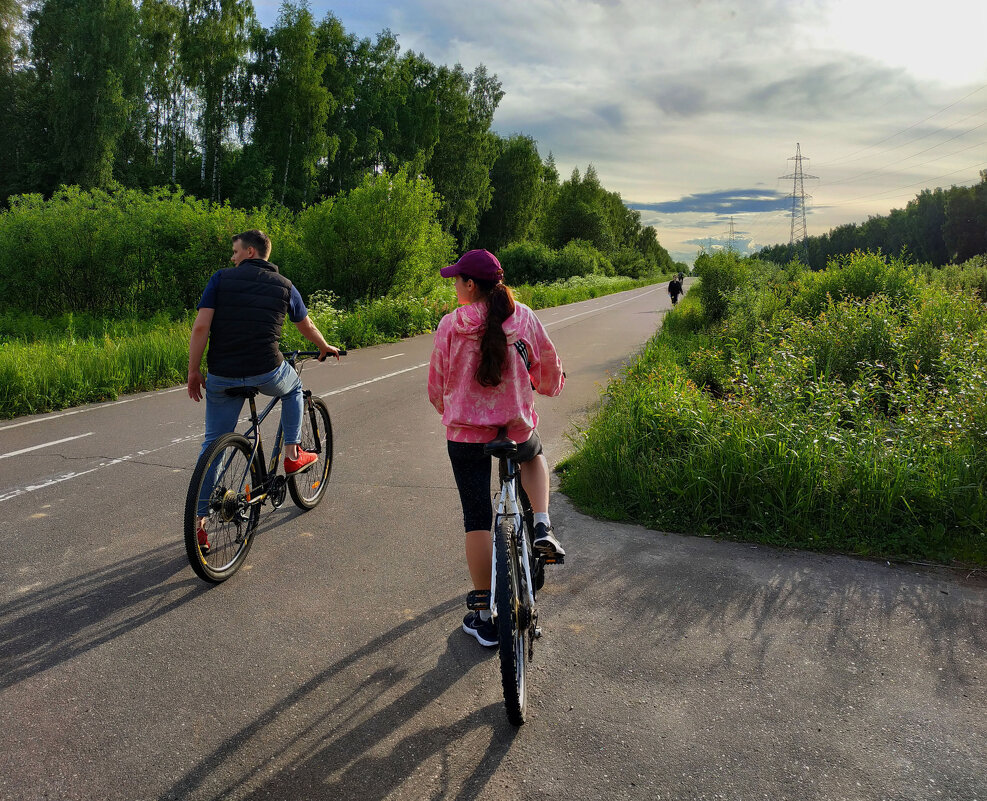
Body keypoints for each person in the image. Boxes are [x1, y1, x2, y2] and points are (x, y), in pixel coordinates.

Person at [428, 249, 565, 648]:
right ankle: (541, 523)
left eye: (456, 280)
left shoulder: (451, 325)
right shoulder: (522, 316)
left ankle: (486, 616)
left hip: (466, 437)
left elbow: (437, 384)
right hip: (514, 431)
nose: (454, 285)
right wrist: (550, 387)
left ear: (471, 285)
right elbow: (547, 368)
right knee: (534, 454)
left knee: (477, 518)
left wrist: (450, 409)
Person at [187, 229, 340, 553]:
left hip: (222, 375)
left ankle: (198, 523)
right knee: (294, 388)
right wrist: (324, 346)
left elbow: (201, 327)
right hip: (266, 370)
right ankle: (292, 453)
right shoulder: (284, 286)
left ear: (251, 253)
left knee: (213, 444)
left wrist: (193, 370)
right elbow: (306, 325)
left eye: (236, 251)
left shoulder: (220, 280)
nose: (232, 257)